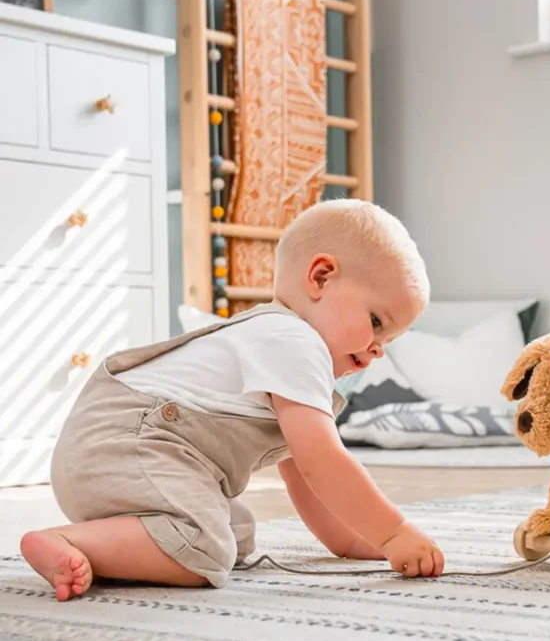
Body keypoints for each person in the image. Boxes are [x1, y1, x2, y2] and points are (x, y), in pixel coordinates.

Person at [21, 200, 445, 600]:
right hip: (131, 444)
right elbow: (324, 462)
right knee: (207, 547)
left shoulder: (277, 346)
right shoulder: (295, 342)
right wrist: (392, 532)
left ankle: (112, 541)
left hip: (112, 457)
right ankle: (67, 541)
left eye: (388, 340)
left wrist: (355, 539)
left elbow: (304, 476)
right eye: (376, 322)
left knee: (236, 531)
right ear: (320, 277)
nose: (377, 350)